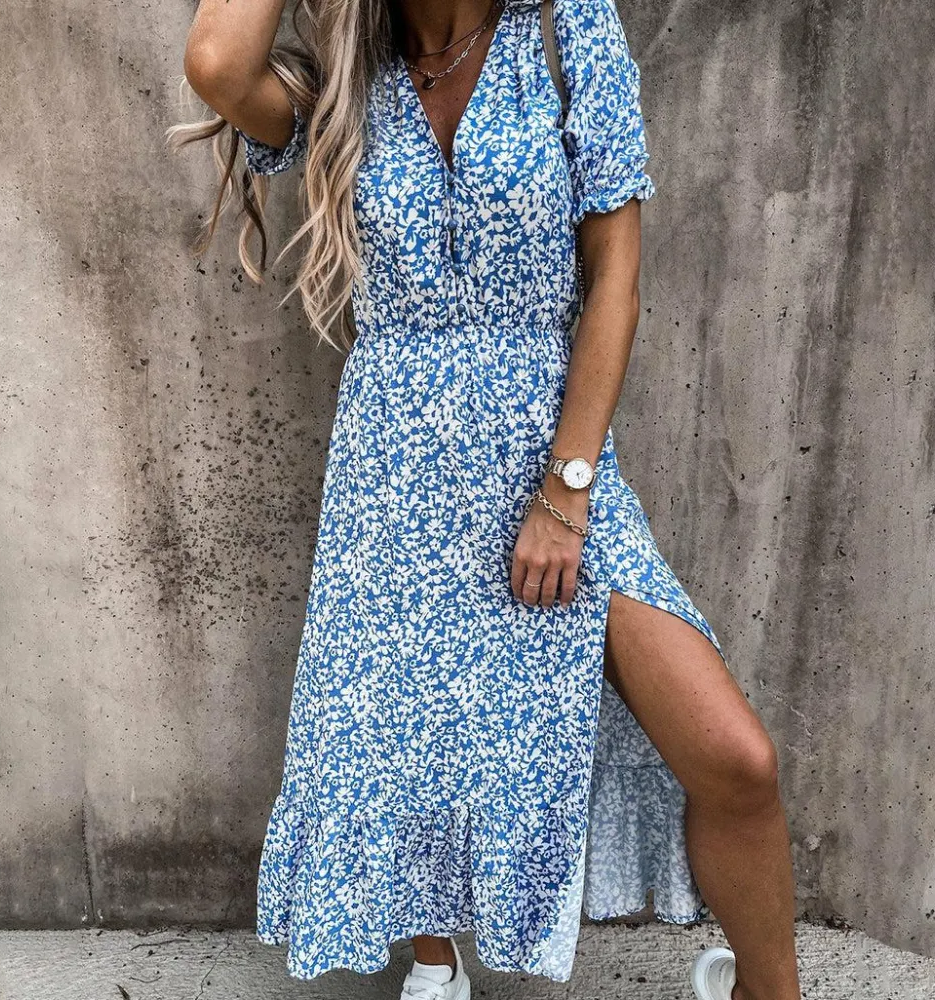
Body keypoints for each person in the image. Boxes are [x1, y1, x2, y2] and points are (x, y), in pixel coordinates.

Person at [173, 1, 803, 998]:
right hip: (395, 478)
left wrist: (566, 490)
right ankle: (435, 962)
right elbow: (216, 61)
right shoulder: (350, 81)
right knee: (414, 744)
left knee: (736, 760)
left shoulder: (565, 28)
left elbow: (616, 279)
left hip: (548, 458)